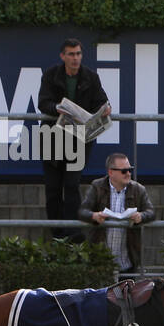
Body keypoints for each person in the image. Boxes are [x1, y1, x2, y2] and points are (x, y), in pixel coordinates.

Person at [37, 38, 111, 236]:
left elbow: (101, 101)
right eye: (71, 54)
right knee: (53, 189)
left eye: (78, 53)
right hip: (52, 138)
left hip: (78, 140)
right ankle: (56, 235)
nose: (75, 58)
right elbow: (43, 103)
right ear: (63, 56)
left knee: (71, 186)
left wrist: (105, 109)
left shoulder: (91, 77)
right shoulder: (51, 75)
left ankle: (74, 235)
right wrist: (56, 108)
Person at [78, 153, 156, 275]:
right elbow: (82, 211)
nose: (128, 174)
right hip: (100, 260)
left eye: (130, 170)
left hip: (128, 261)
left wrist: (141, 216)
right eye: (124, 171)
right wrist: (94, 216)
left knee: (126, 294)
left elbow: (151, 212)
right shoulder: (97, 187)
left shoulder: (138, 189)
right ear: (111, 172)